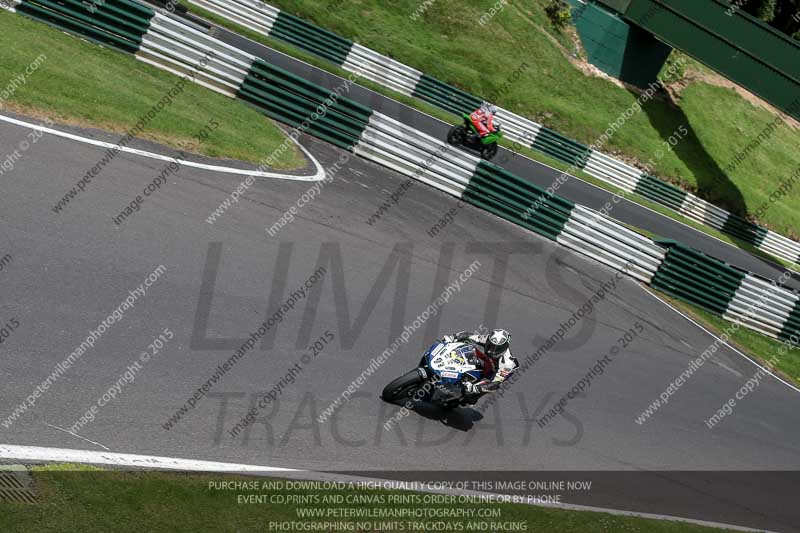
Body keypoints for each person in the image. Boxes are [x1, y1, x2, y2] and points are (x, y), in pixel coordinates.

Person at [441, 328, 518, 401]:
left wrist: (474, 388)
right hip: (488, 360)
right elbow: (468, 336)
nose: (491, 350)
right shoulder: (488, 339)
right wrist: (451, 338)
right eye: (490, 346)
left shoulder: (507, 364)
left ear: (504, 348)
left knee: (472, 394)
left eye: (496, 349)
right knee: (469, 347)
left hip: (496, 372)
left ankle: (470, 398)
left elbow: (495, 383)